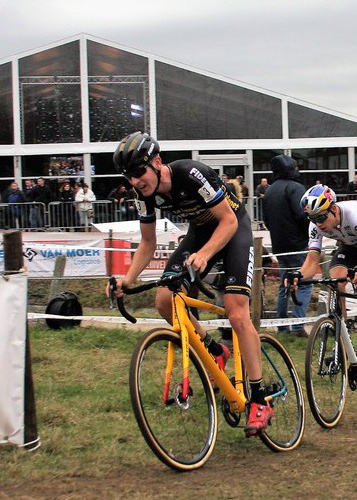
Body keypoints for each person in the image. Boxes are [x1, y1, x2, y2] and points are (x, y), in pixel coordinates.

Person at [110, 132, 272, 436]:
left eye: (139, 173)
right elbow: (147, 242)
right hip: (200, 232)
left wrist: (205, 254)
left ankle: (259, 397)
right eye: (128, 177)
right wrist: (127, 281)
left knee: (236, 313)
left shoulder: (191, 173)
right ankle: (214, 351)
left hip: (232, 229)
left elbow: (229, 222)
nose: (135, 182)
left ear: (157, 162)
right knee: (163, 299)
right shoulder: (144, 194)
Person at [285, 184, 357, 390]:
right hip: (349, 247)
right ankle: (342, 345)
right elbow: (311, 261)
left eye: (321, 218)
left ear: (334, 209)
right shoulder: (316, 225)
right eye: (313, 219)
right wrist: (298, 274)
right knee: (335, 280)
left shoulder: (355, 215)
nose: (318, 224)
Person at [261, 154, 313, 337]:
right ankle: (298, 327)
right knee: (305, 283)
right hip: (298, 244)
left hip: (279, 245)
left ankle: (282, 327)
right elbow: (302, 215)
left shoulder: (269, 190)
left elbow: (266, 220)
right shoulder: (295, 187)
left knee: (285, 284)